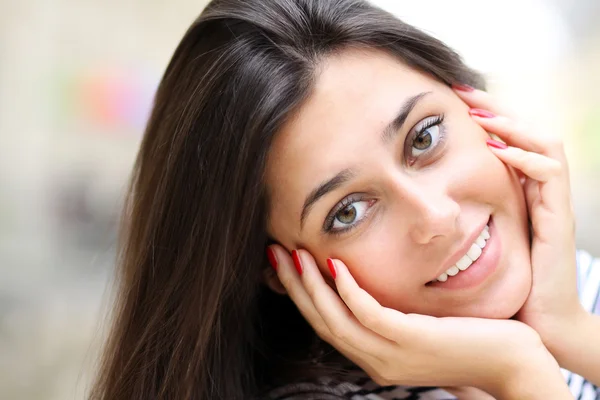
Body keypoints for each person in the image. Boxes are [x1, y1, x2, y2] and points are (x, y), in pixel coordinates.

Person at [89, 0, 600, 399]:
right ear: (281, 271)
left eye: (423, 138)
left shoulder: (572, 286)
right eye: (348, 212)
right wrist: (520, 375)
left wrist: (568, 331)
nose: (437, 216)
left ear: (472, 103)